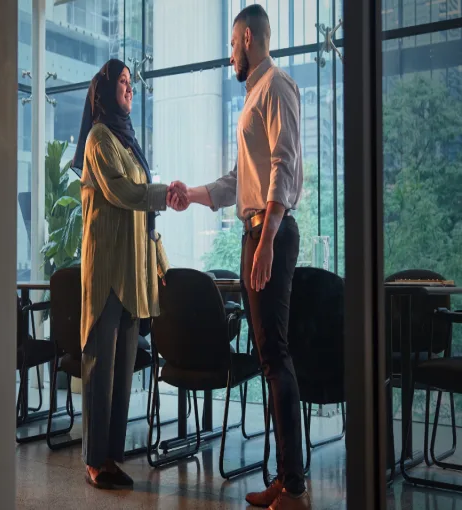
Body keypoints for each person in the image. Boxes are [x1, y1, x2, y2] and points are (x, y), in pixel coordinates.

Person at [168, 5, 310, 510]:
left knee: (276, 357)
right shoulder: (254, 97)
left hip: (270, 231)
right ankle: (284, 478)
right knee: (270, 358)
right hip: (255, 231)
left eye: (231, 45)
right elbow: (237, 182)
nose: (230, 54)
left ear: (247, 38)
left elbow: (283, 166)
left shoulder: (276, 87)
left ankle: (294, 488)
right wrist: (193, 195)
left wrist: (268, 238)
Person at [73, 58, 176, 491]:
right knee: (100, 369)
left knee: (122, 372)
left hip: (134, 275)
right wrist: (165, 193)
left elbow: (144, 217)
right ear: (104, 91)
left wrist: (162, 264)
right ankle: (95, 462)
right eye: (123, 83)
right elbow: (123, 192)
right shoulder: (100, 138)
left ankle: (112, 455)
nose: (130, 89)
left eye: (131, 83)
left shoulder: (129, 142)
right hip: (108, 274)